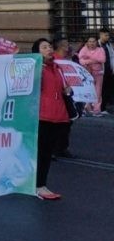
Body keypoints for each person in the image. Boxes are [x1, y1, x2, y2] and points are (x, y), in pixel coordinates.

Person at [32, 38, 70, 200]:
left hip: (58, 116)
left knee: (47, 153)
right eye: (44, 47)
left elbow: (62, 89)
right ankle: (38, 185)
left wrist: (67, 90)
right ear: (37, 52)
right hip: (42, 116)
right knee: (41, 153)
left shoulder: (57, 68)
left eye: (49, 47)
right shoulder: (35, 68)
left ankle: (40, 184)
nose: (49, 49)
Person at [77, 35, 106, 116]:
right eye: (90, 41)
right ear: (87, 43)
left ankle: (96, 110)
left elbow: (102, 59)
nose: (92, 43)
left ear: (96, 42)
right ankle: (87, 108)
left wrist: (88, 59)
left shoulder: (100, 49)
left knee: (98, 92)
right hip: (87, 73)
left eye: (93, 41)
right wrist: (94, 60)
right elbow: (81, 60)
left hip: (98, 73)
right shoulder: (84, 49)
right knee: (88, 91)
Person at [100, 29, 114, 113]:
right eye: (106, 35)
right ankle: (100, 107)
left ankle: (104, 106)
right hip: (101, 71)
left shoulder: (109, 45)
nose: (108, 37)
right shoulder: (97, 45)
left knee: (107, 89)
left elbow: (112, 57)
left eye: (108, 35)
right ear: (101, 35)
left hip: (109, 70)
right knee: (101, 90)